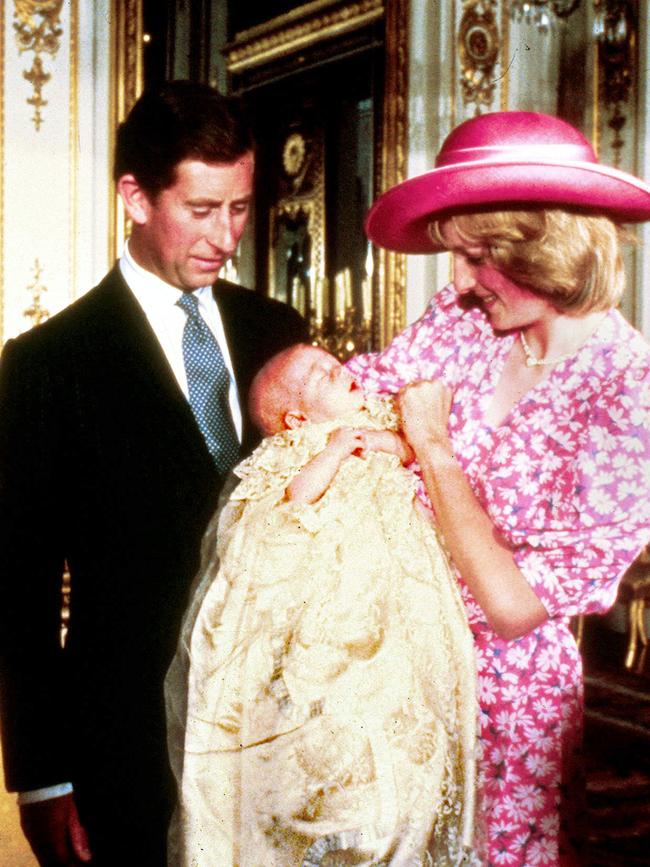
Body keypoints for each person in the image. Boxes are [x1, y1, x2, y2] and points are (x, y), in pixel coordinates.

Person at [0, 80, 307, 866]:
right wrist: (41, 781)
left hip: (283, 733)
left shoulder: (278, 330)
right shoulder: (46, 367)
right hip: (127, 744)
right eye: (202, 210)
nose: (226, 234)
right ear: (135, 197)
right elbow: (20, 595)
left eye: (239, 208)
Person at [346, 110, 650, 866]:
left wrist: (432, 451)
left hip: (509, 710)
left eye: (480, 254)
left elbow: (514, 606)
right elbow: (355, 401)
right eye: (457, 254)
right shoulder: (463, 319)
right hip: (392, 668)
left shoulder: (629, 391)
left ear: (551, 247)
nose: (459, 280)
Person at [165, 343, 479, 866]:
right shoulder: (295, 449)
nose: (339, 370)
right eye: (320, 374)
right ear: (296, 418)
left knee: (406, 685)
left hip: (394, 574)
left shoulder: (374, 414)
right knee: (333, 688)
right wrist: (332, 450)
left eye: (333, 362)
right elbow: (293, 501)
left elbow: (409, 451)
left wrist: (379, 441)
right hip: (332, 583)